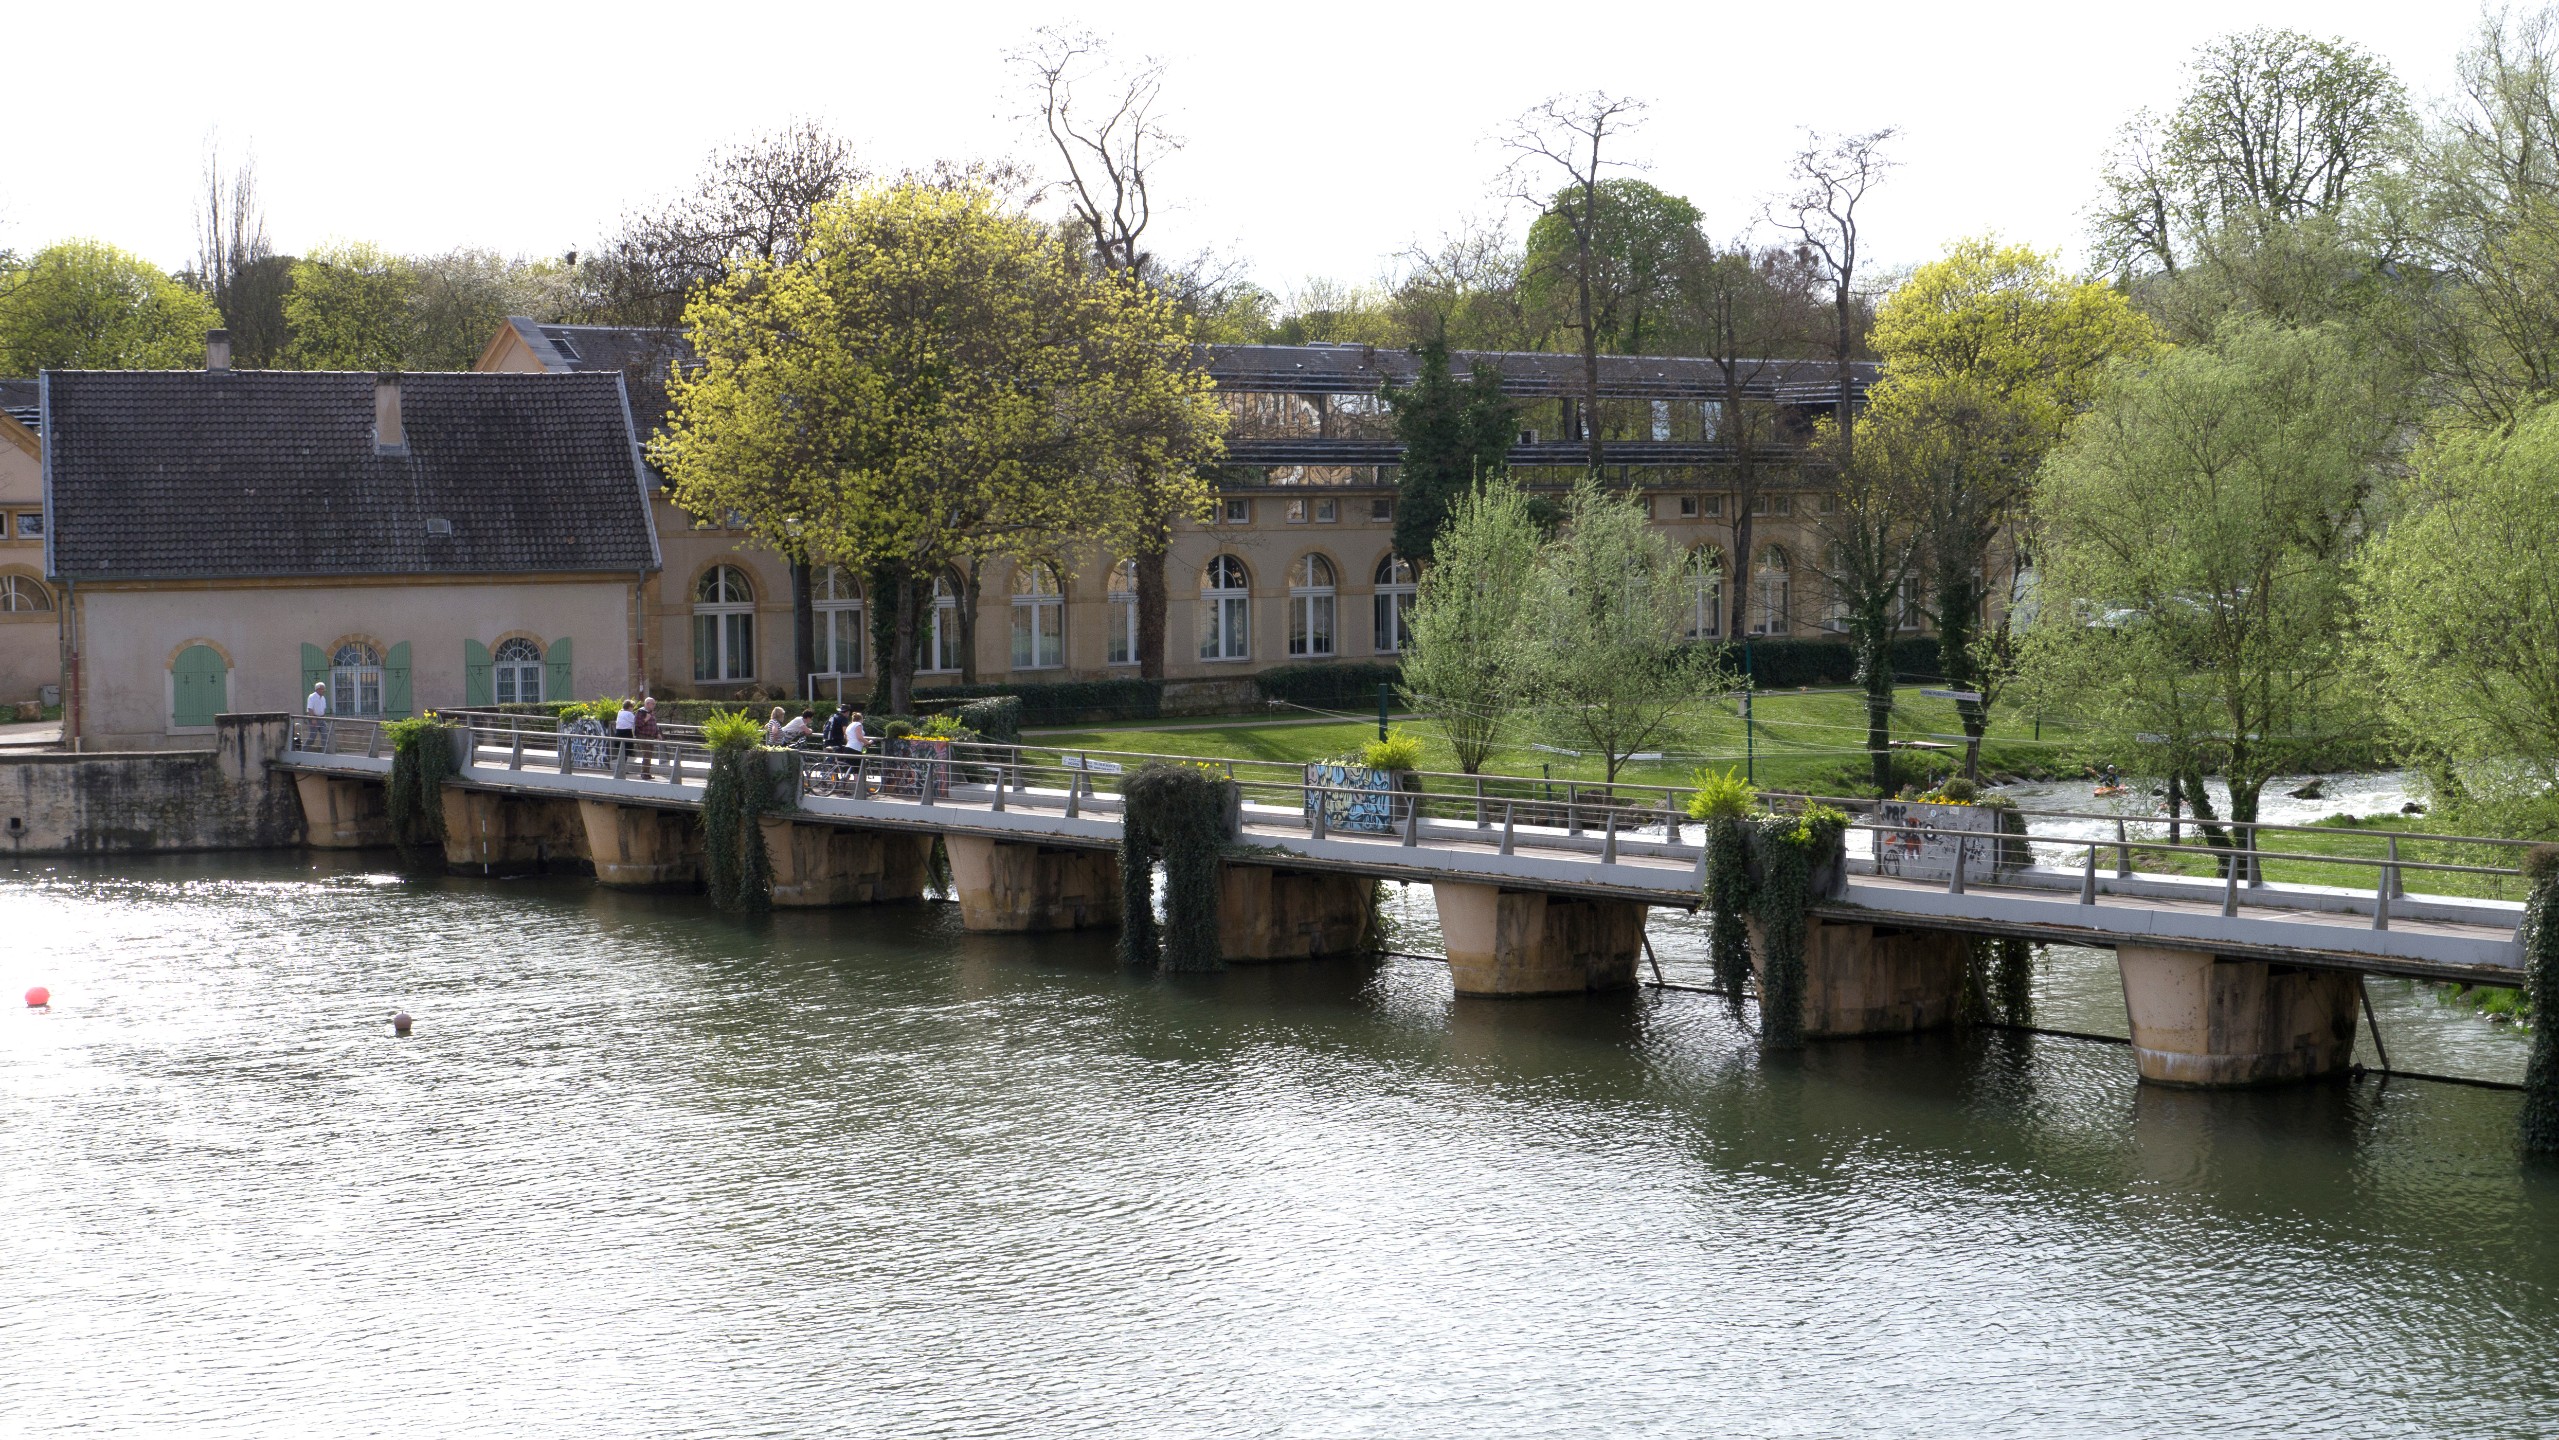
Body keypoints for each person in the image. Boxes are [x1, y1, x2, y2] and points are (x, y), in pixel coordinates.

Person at [633, 695, 661, 779]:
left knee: (649, 755)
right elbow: (637, 724)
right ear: (648, 704)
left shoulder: (651, 713)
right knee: (647, 754)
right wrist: (646, 719)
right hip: (643, 736)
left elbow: (654, 725)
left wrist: (657, 733)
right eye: (653, 704)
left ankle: (647, 773)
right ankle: (644, 773)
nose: (654, 705)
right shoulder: (641, 712)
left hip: (651, 737)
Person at [305, 682, 330, 749]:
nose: (324, 691)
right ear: (317, 689)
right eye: (322, 689)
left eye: (324, 689)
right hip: (314, 718)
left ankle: (324, 752)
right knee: (312, 737)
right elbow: (310, 708)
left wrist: (324, 718)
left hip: (321, 719)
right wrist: (313, 719)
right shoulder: (312, 697)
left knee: (325, 735)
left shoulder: (323, 698)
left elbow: (324, 709)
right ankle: (304, 750)